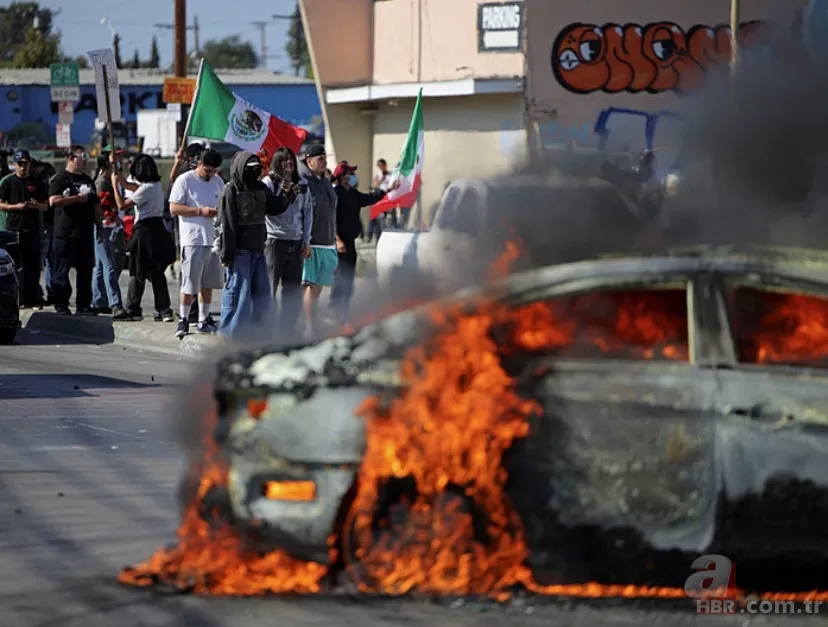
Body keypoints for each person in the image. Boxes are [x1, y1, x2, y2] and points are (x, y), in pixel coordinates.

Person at [217, 151, 286, 339]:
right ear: (240, 168)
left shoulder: (260, 188)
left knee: (263, 295)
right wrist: (227, 254)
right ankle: (230, 335)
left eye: (257, 168)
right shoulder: (231, 190)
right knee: (239, 295)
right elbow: (228, 225)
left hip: (258, 250)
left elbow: (275, 208)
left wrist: (288, 194)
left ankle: (258, 334)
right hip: (239, 252)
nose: (254, 171)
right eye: (250, 168)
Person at [110, 153, 176, 322]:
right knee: (156, 272)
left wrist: (114, 186)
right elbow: (128, 185)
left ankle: (133, 307)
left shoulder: (147, 189)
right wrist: (116, 170)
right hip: (157, 230)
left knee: (138, 270)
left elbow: (122, 205)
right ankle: (163, 309)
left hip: (145, 231)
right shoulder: (154, 186)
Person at [169, 148, 223, 338]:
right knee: (189, 283)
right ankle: (183, 320)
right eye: (207, 170)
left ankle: (203, 319)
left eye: (214, 171)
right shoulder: (185, 180)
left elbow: (222, 205)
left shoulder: (218, 181)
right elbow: (174, 207)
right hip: (192, 239)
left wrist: (217, 213)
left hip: (213, 239)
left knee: (207, 283)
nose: (211, 174)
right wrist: (200, 211)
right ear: (198, 164)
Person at [330, 160, 392, 323]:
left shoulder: (353, 193)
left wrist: (387, 190)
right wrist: (337, 240)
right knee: (341, 276)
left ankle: (344, 310)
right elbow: (331, 220)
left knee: (349, 277)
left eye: (352, 173)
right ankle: (334, 309)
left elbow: (369, 198)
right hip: (340, 243)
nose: (352, 176)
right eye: (349, 173)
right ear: (341, 176)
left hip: (351, 241)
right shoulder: (336, 194)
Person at [262, 146, 312, 333]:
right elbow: (269, 209)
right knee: (271, 287)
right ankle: (268, 328)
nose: (289, 163)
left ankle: (288, 328)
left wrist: (306, 240)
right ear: (277, 162)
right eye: (284, 160)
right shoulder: (269, 182)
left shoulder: (303, 183)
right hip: (275, 241)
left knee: (292, 290)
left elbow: (308, 212)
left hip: (296, 240)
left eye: (291, 159)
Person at [48, 147, 103, 315]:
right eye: (82, 156)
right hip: (64, 232)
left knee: (85, 270)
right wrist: (76, 199)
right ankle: (62, 304)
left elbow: (95, 204)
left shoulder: (88, 180)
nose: (85, 160)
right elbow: (53, 201)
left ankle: (84, 305)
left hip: (84, 232)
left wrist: (100, 225)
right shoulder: (60, 179)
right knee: (61, 270)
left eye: (87, 156)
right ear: (71, 158)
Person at [297, 144, 339, 335]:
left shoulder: (325, 181)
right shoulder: (302, 182)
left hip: (328, 241)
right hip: (311, 241)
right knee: (309, 285)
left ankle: (312, 321)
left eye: (325, 158)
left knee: (319, 286)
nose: (324, 162)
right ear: (309, 161)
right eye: (320, 159)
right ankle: (308, 326)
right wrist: (303, 240)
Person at [0, 149, 48, 308]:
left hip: (31, 230)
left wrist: (36, 205)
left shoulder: (37, 181)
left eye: (25, 164)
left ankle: (32, 300)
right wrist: (16, 207)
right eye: (20, 164)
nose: (23, 167)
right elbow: (0, 204)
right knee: (13, 268)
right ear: (15, 164)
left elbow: (46, 205)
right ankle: (16, 300)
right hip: (13, 231)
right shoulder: (8, 182)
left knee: (33, 268)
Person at [92, 153, 130, 319]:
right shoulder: (102, 182)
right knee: (109, 265)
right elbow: (100, 206)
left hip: (110, 225)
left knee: (101, 266)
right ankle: (115, 303)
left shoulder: (111, 180)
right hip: (103, 228)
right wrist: (105, 220)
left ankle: (99, 301)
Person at [366, 158, 391, 242]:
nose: (381, 167)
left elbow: (391, 185)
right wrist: (381, 179)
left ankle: (382, 234)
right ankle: (371, 235)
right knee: (374, 215)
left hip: (387, 196)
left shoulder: (390, 175)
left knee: (384, 217)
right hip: (378, 195)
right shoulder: (378, 175)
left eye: (382, 165)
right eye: (379, 166)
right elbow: (375, 184)